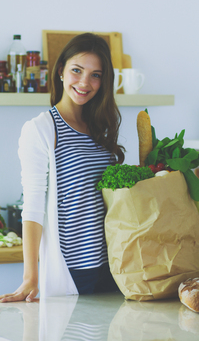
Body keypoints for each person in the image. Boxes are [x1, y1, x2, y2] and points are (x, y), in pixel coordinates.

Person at [0, 33, 124, 302]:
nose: (84, 82)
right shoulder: (41, 129)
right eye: (76, 71)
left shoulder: (100, 128)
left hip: (116, 265)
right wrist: (30, 276)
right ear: (60, 71)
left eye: (95, 75)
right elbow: (32, 208)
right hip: (75, 271)